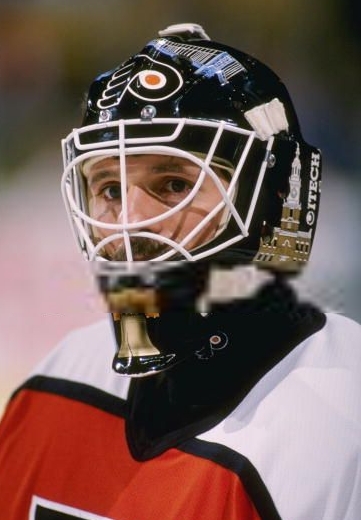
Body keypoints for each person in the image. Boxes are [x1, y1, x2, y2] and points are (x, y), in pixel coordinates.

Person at [0, 22, 360, 520]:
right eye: (108, 189)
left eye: (172, 184)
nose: (128, 223)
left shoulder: (344, 420)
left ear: (274, 200)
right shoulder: (57, 380)